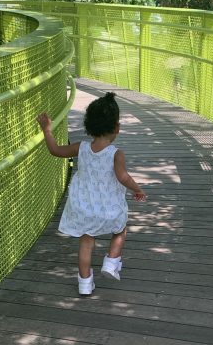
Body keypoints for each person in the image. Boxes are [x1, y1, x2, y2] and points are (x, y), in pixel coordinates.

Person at [37, 92, 146, 295]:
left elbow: (55, 151)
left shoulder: (81, 148)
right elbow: (123, 177)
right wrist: (137, 189)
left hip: (84, 206)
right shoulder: (116, 153)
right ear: (116, 128)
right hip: (109, 207)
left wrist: (47, 130)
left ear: (89, 125)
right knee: (120, 230)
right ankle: (111, 262)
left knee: (86, 241)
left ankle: (85, 283)